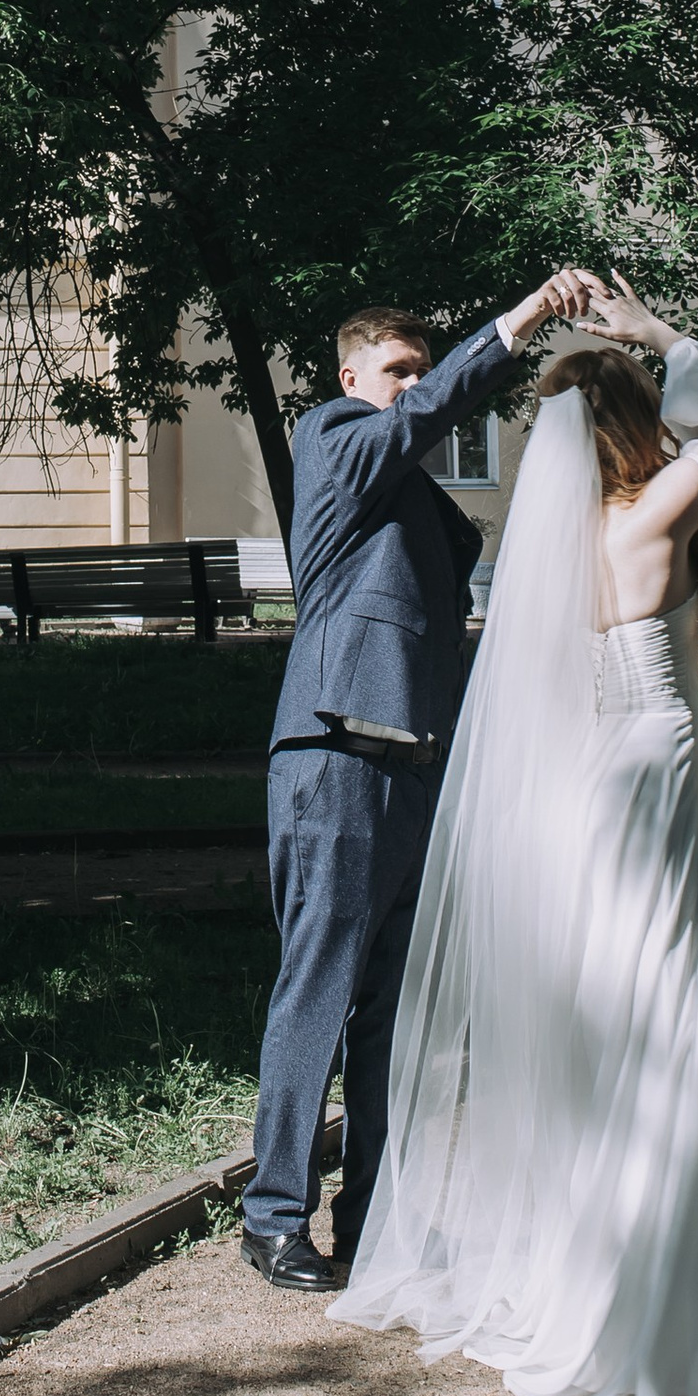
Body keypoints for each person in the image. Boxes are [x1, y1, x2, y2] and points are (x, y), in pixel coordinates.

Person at [338, 274, 698, 1396]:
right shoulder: (653, 519)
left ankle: (592, 1292)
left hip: (578, 802)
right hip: (656, 782)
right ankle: (666, 1318)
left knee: (605, 1048)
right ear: (638, 429)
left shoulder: (544, 560)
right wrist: (657, 335)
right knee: (679, 1034)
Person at [240, 268, 599, 1288]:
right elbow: (427, 413)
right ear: (351, 375)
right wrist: (526, 317)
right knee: (317, 990)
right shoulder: (333, 440)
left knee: (394, 1014)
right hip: (335, 756)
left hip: (419, 766)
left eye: (418, 371)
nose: (411, 386)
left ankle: (376, 1219)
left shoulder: (413, 495)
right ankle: (272, 1216)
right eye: (395, 371)